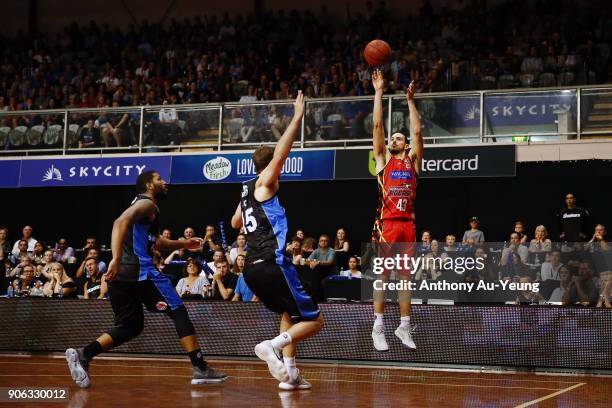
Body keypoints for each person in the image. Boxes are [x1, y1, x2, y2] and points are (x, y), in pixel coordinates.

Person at [65, 170, 226, 389]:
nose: (165, 182)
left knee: (130, 326)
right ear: (149, 185)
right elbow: (118, 222)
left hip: (121, 277)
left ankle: (84, 354)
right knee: (178, 310)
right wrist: (116, 258)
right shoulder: (148, 204)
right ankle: (200, 367)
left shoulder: (143, 209)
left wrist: (184, 244)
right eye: (159, 179)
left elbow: (157, 242)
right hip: (139, 271)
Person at [231, 91, 323, 391]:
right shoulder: (266, 183)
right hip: (272, 263)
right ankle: (270, 346)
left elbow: (235, 223)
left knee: (289, 315)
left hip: (252, 270)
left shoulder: (246, 191)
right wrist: (297, 116)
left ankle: (291, 374)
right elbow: (281, 154)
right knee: (315, 321)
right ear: (268, 167)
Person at [370, 71, 423, 351]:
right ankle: (378, 326)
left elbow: (417, 132)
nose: (393, 139)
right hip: (387, 224)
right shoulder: (382, 161)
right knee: (383, 277)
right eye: (392, 138)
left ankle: (403, 326)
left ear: (405, 145)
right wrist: (379, 91)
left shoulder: (413, 162)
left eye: (398, 138)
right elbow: (378, 124)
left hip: (408, 226)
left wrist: (410, 101)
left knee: (405, 279)